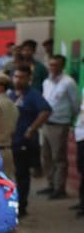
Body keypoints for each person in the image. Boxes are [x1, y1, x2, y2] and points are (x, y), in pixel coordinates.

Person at [8, 64, 52, 218]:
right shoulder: (10, 94)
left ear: (29, 79)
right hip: (10, 141)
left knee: (22, 175)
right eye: (16, 76)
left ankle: (22, 207)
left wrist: (32, 129)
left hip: (24, 142)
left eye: (22, 77)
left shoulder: (33, 94)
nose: (18, 80)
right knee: (10, 175)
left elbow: (46, 110)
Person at [38, 54, 80, 200]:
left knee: (59, 157)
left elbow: (75, 104)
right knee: (46, 156)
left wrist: (71, 120)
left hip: (60, 124)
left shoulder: (69, 82)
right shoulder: (46, 82)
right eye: (51, 65)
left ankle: (59, 188)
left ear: (62, 66)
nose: (52, 68)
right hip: (45, 123)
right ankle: (50, 184)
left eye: (56, 65)